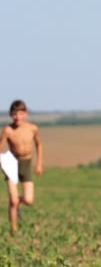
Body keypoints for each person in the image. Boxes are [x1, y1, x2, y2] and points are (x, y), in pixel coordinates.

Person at [0, 100, 43, 235]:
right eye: (14, 114)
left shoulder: (32, 128)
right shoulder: (8, 130)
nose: (17, 117)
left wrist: (39, 163)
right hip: (11, 163)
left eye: (20, 113)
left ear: (26, 114)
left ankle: (18, 205)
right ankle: (14, 230)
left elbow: (39, 145)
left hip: (26, 163)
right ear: (11, 115)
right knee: (13, 200)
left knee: (29, 200)